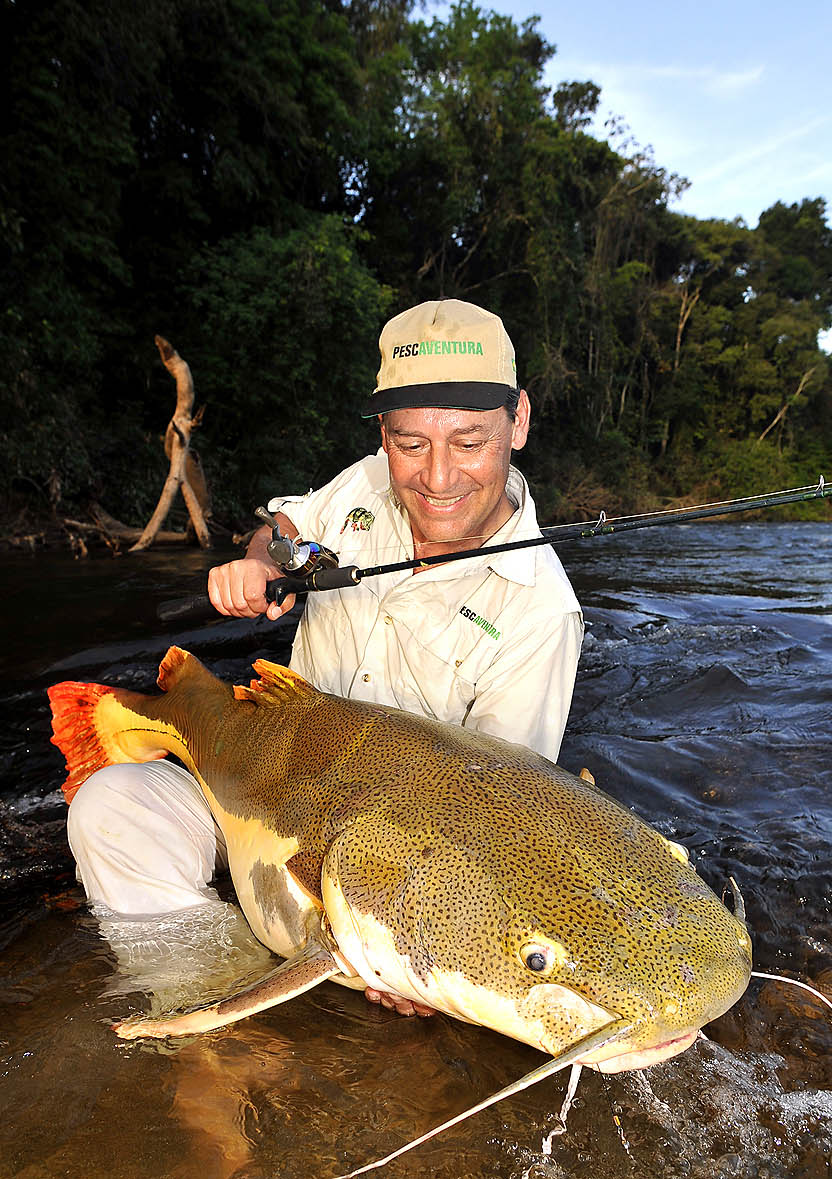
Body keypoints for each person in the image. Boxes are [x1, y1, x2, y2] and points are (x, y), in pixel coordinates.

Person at [67, 299, 584, 1013]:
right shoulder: (366, 483)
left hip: (390, 854)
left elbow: (490, 823)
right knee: (106, 806)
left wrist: (430, 942)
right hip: (260, 770)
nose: (437, 478)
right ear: (383, 433)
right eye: (409, 444)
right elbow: (283, 527)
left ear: (517, 421)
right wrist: (257, 561)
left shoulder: (542, 611)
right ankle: (214, 994)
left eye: (468, 443)